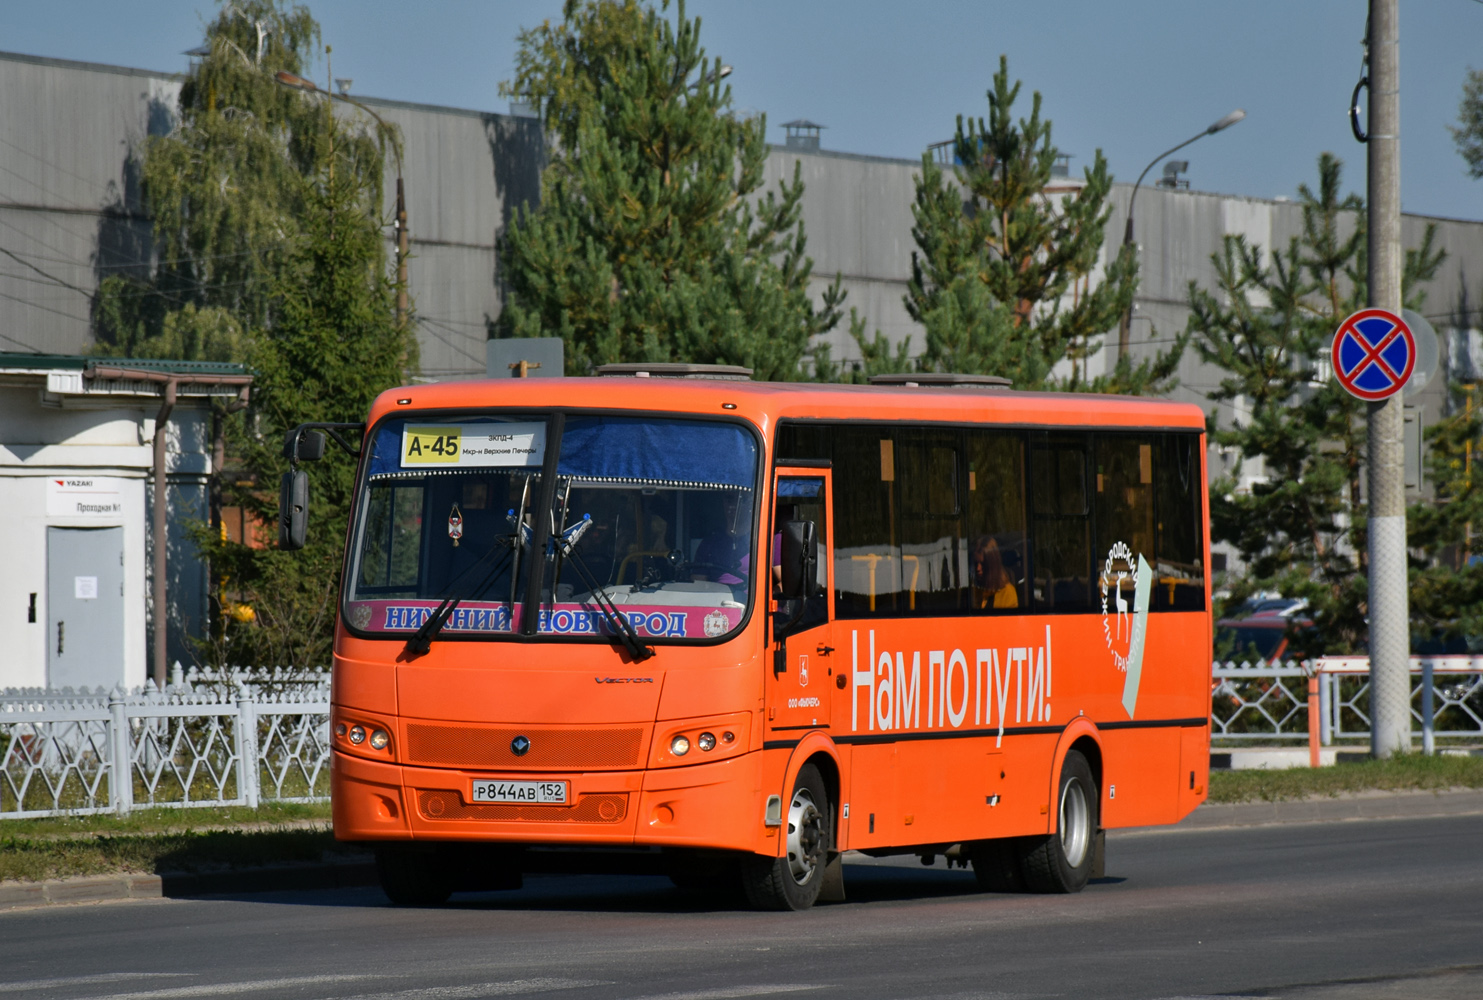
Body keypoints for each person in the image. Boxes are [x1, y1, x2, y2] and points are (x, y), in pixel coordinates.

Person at [971, 535, 1018, 609]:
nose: (978, 568)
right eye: (976, 563)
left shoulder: (1007, 593)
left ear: (992, 564)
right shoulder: (977, 590)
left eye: (983, 564)